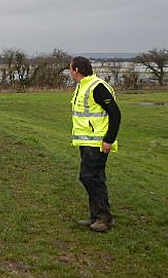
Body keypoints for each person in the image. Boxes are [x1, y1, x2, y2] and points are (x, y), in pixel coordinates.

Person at [69, 56, 121, 232]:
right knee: (93, 177)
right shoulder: (83, 86)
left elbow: (115, 113)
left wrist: (109, 140)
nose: (70, 72)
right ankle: (96, 216)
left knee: (90, 177)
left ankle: (103, 218)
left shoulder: (97, 87)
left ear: (76, 70)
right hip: (87, 142)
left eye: (71, 69)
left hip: (97, 142)